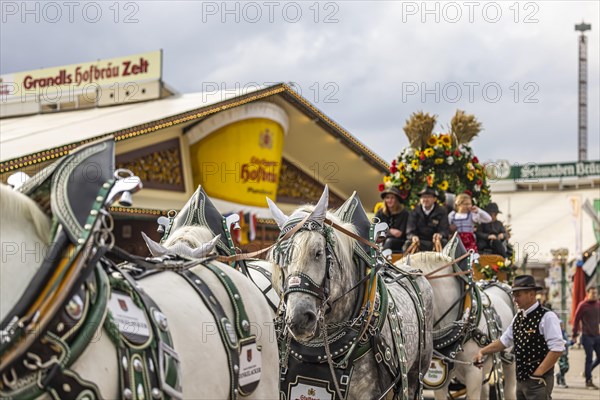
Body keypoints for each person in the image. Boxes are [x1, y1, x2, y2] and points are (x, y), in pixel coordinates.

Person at [473, 275, 564, 400]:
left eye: (518, 295)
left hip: (538, 381)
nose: (515, 299)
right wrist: (482, 351)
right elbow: (503, 341)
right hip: (521, 381)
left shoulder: (547, 316)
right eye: (514, 295)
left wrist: (538, 374)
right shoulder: (518, 317)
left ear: (531, 294)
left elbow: (557, 349)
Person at [403, 187, 449, 252]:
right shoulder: (414, 212)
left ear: (434, 199)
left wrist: (440, 234)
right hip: (419, 241)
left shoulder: (442, 212)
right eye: (423, 197)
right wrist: (413, 236)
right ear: (420, 199)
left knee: (444, 242)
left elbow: (444, 230)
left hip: (435, 241)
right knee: (408, 243)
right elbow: (409, 231)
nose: (426, 199)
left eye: (429, 197)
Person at [572, 286, 600, 389]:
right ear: (587, 293)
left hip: (597, 335)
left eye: (596, 293)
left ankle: (587, 371)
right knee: (588, 358)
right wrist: (574, 334)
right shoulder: (583, 305)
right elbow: (576, 320)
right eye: (592, 293)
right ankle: (588, 381)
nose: (595, 295)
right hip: (586, 336)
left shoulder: (598, 304)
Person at [375, 186, 409, 252]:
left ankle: (383, 260)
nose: (389, 200)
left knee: (389, 241)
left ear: (397, 199)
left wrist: (384, 232)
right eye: (387, 198)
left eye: (392, 198)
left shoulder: (404, 213)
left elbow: (399, 234)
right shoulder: (380, 213)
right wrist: (390, 231)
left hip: (399, 242)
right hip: (381, 241)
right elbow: (375, 230)